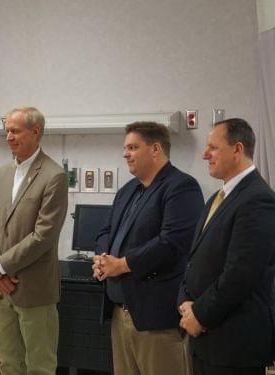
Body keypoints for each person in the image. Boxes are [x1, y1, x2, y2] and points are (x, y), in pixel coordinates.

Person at [91, 122, 204, 375]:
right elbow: (104, 232)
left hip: (156, 319)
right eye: (125, 148)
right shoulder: (127, 190)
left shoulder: (181, 187)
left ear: (155, 149)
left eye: (133, 147)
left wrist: (121, 264)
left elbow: (171, 242)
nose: (125, 154)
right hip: (120, 313)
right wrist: (101, 259)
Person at [178, 118, 275, 375]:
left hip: (234, 345)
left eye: (213, 147)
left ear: (237, 149)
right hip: (205, 341)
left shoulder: (258, 200)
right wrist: (185, 302)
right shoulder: (217, 198)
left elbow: (240, 274)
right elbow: (195, 259)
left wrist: (199, 314)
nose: (204, 154)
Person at [0, 107, 68, 375]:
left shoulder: (54, 176)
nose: (9, 136)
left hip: (33, 289)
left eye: (15, 130)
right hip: (2, 289)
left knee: (39, 367)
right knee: (8, 364)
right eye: (7, 130)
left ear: (35, 132)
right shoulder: (2, 173)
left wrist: (0, 267)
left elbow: (44, 235)